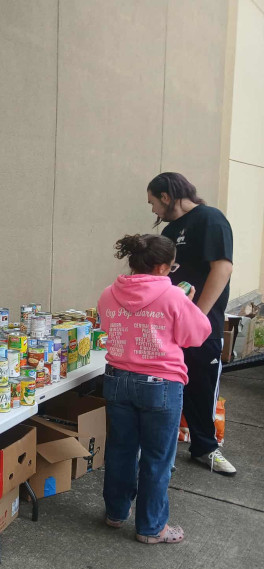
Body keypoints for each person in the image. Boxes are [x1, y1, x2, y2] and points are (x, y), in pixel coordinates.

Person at [98, 234, 211, 544]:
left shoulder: (109, 293)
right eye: (172, 265)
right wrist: (186, 304)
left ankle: (115, 514)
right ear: (162, 266)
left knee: (120, 450)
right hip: (161, 384)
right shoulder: (174, 296)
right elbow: (197, 335)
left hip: (117, 378)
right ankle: (151, 528)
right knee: (157, 458)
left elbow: (108, 326)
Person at [147, 172, 236, 475]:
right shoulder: (171, 230)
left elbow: (222, 269)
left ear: (167, 196)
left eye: (153, 203)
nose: (154, 211)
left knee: (202, 384)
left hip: (201, 324)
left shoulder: (210, 219)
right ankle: (164, 450)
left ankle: (205, 448)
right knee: (169, 385)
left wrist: (197, 314)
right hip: (168, 324)